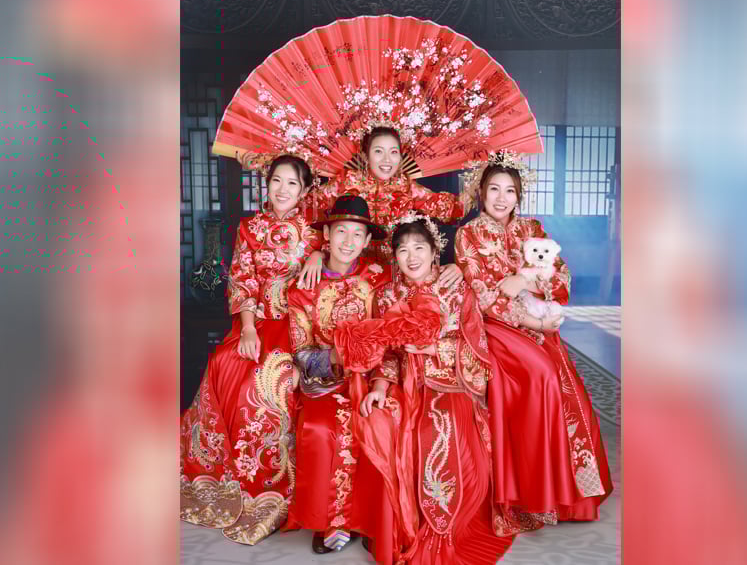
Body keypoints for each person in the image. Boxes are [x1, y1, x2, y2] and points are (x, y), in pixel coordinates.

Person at [339, 214, 515, 564]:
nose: (411, 256)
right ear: (394, 256)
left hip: (449, 385)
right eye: (403, 250)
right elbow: (386, 352)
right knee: (378, 422)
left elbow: (477, 350)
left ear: (435, 252)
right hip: (403, 385)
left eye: (419, 247)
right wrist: (379, 385)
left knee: (436, 432)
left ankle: (440, 529)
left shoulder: (458, 290)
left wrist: (435, 349)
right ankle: (391, 529)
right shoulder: (387, 295)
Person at [455, 151, 613, 531]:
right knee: (541, 373)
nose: (501, 198)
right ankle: (532, 495)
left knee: (569, 387)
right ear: (480, 191)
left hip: (537, 325)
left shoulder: (532, 229)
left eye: (510, 190)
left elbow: (561, 276)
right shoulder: (468, 235)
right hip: (494, 327)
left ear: (519, 195)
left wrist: (525, 280)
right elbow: (482, 295)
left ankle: (565, 496)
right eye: (494, 189)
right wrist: (532, 321)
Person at [180, 153, 322, 545]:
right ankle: (224, 478)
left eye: (292, 183)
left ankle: (270, 488)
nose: (282, 190)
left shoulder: (316, 233)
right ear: (267, 183)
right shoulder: (250, 227)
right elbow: (242, 280)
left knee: (266, 383)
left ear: (304, 191)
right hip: (257, 321)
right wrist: (246, 328)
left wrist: (318, 253)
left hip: (299, 326)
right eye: (277, 181)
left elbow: (338, 266)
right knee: (225, 363)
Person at [283, 194, 398, 563]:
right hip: (327, 381)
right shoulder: (303, 288)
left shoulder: (380, 280)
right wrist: (338, 356)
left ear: (368, 241)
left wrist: (380, 381)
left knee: (385, 421)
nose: (349, 241)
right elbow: (301, 352)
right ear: (327, 236)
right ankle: (332, 522)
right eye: (341, 232)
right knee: (321, 428)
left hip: (374, 377)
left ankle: (374, 521)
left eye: (357, 234)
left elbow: (392, 336)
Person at [241, 126, 465, 289]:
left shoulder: (407, 187)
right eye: (378, 151)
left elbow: (452, 210)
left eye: (394, 152)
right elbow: (302, 202)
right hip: (350, 270)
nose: (387, 159)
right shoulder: (347, 181)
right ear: (366, 154)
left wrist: (476, 187)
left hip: (396, 273)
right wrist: (265, 167)